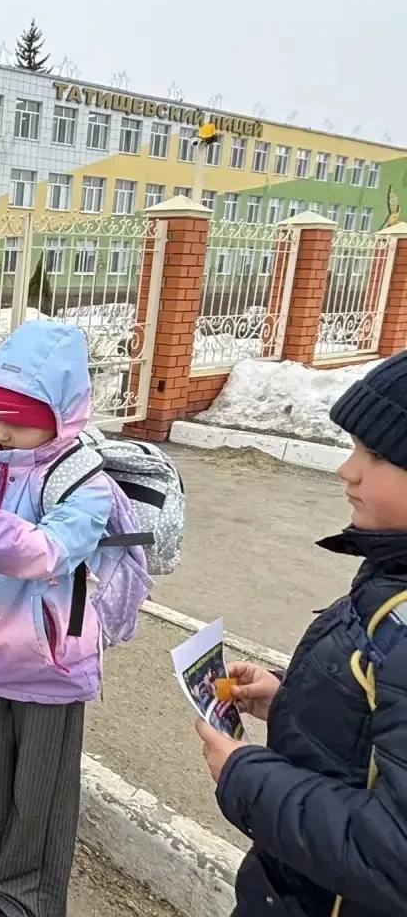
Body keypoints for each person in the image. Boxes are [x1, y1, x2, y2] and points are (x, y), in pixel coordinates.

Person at [0, 320, 146, 917]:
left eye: (14, 417)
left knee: (40, 789)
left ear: (59, 414)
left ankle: (29, 894)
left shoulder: (83, 478)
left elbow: (49, 551)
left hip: (51, 661)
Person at [195, 350, 407, 917]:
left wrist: (246, 777)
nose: (348, 470)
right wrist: (289, 698)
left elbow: (395, 855)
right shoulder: (391, 572)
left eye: (378, 454)